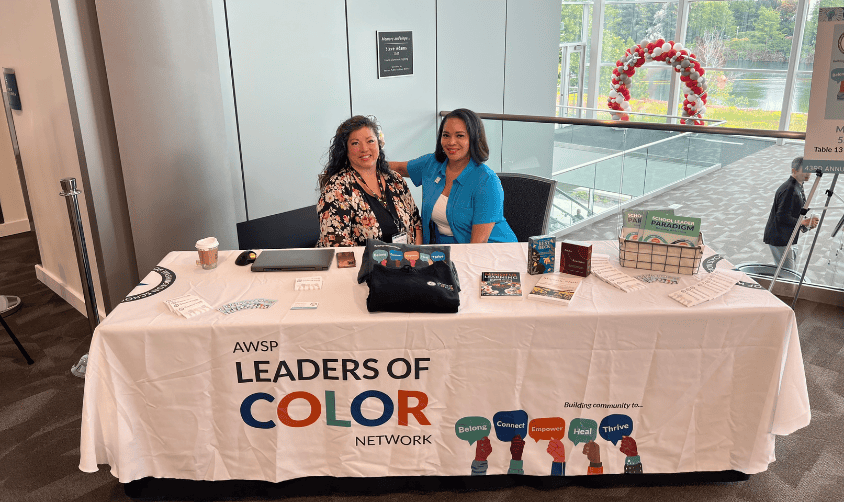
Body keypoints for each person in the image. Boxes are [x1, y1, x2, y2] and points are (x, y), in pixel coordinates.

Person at [390, 108, 517, 244]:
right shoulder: (431, 163)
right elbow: (398, 168)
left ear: (473, 138)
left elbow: (477, 246)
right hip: (444, 248)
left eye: (460, 135)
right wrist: (368, 159)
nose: (451, 142)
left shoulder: (487, 181)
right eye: (446, 135)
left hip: (491, 252)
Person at [317, 116, 422, 247]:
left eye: (370, 141)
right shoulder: (337, 189)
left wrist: (415, 258)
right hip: (363, 266)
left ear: (379, 144)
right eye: (355, 143)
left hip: (405, 263)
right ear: (345, 149)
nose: (364, 149)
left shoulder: (395, 179)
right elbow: (335, 244)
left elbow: (416, 224)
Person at [763, 156, 819, 271]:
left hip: (786, 237)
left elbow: (792, 213)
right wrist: (804, 222)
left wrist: (806, 223)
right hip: (780, 238)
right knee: (788, 274)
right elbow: (782, 217)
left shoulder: (798, 185)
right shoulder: (790, 189)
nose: (808, 173)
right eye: (805, 170)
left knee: (787, 272)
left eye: (810, 170)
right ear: (794, 171)